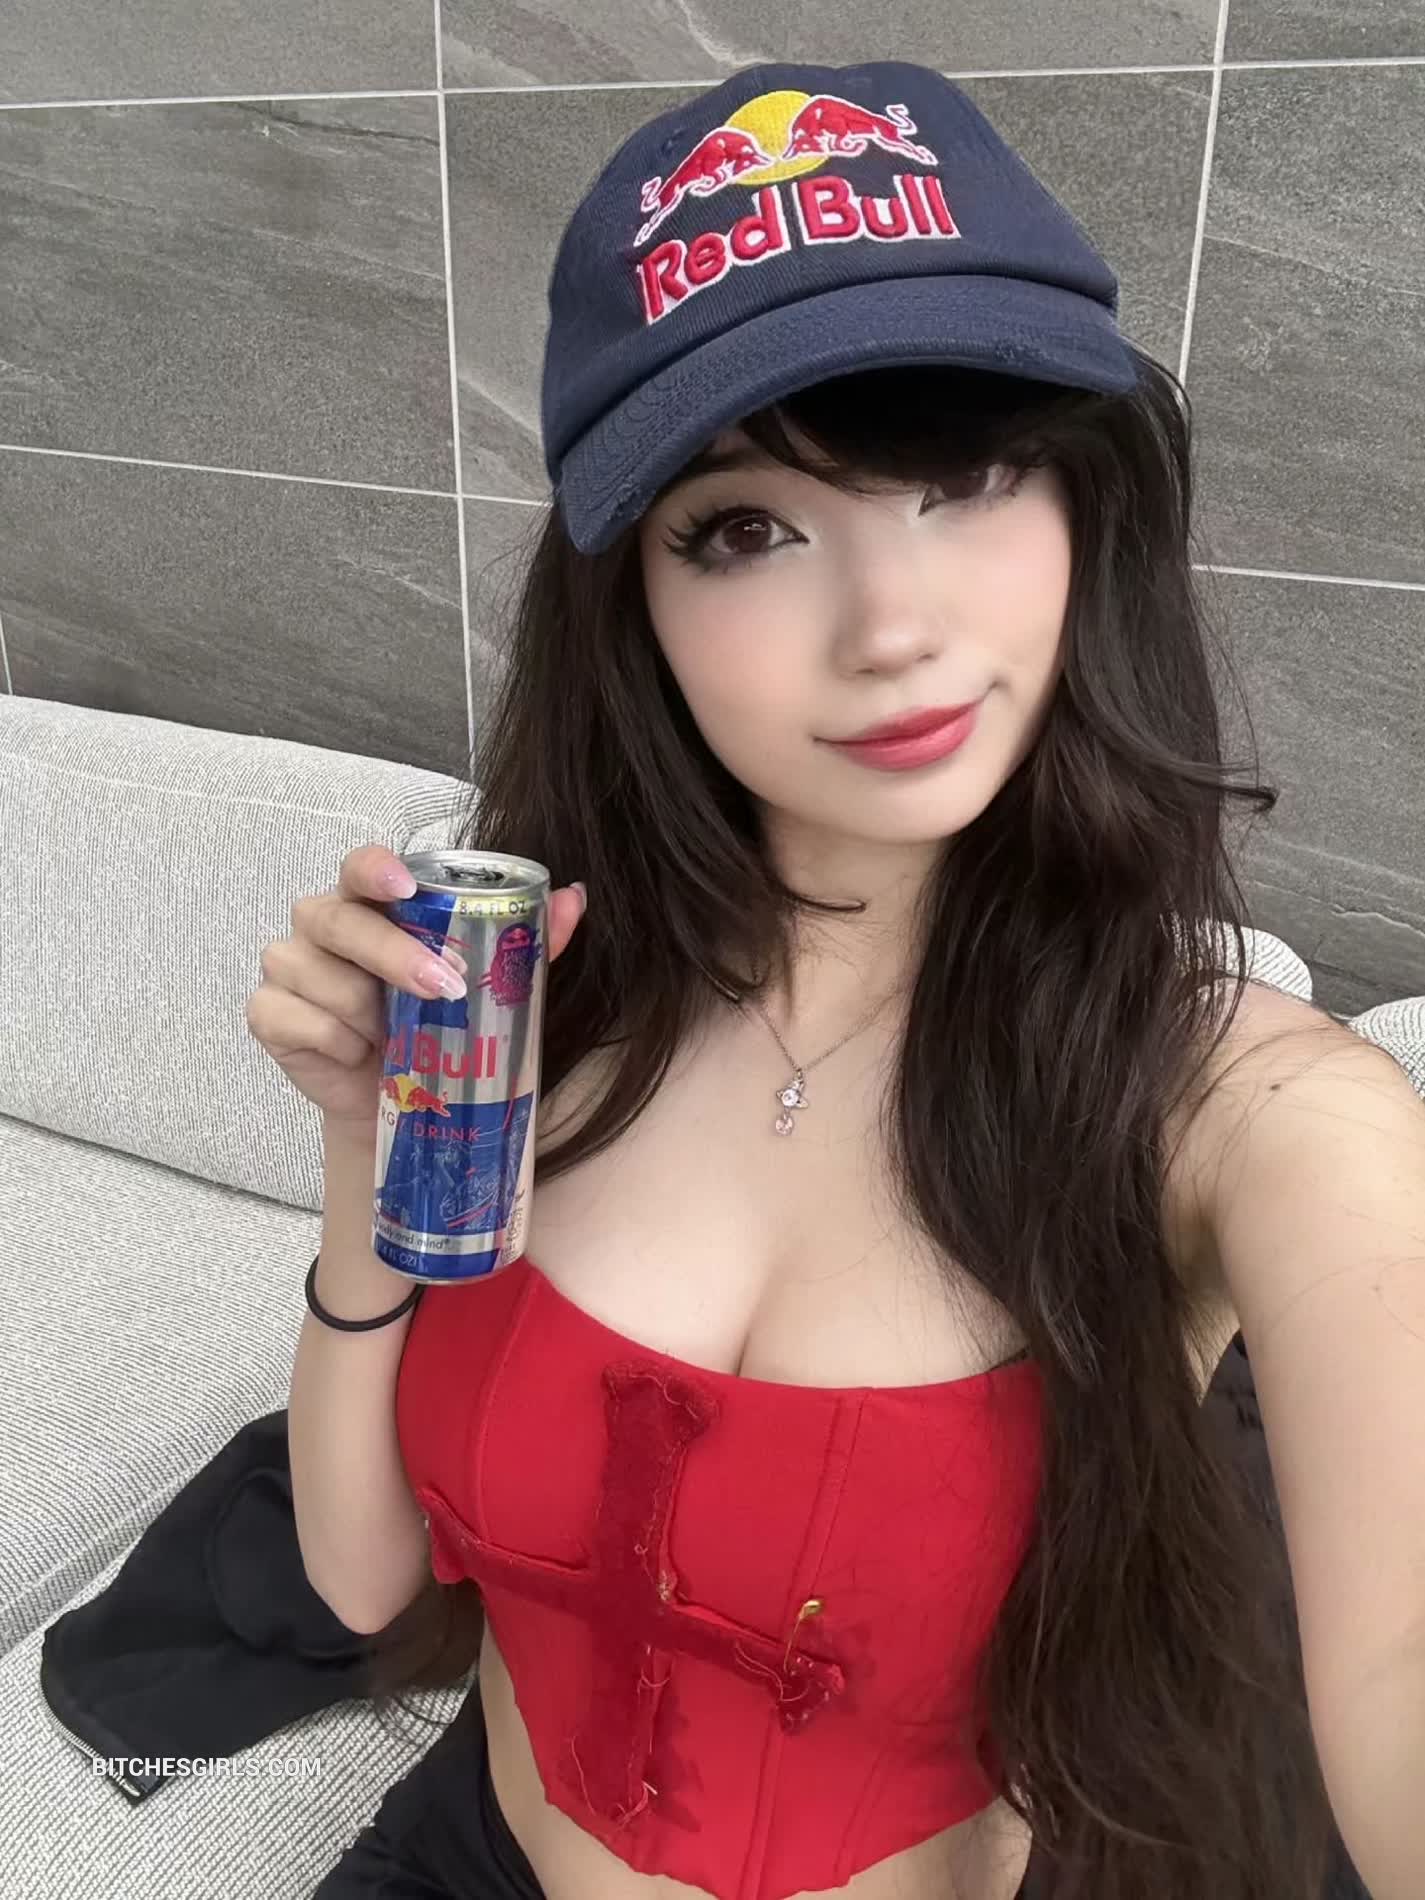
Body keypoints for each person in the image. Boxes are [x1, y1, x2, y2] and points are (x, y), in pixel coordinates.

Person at [258, 56, 1360, 1900]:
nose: (890, 627)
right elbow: (363, 1580)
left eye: (967, 477)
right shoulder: (549, 1004)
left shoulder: (1253, 1113)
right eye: (745, 529)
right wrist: (370, 1143)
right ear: (635, 608)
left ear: (1089, 508)